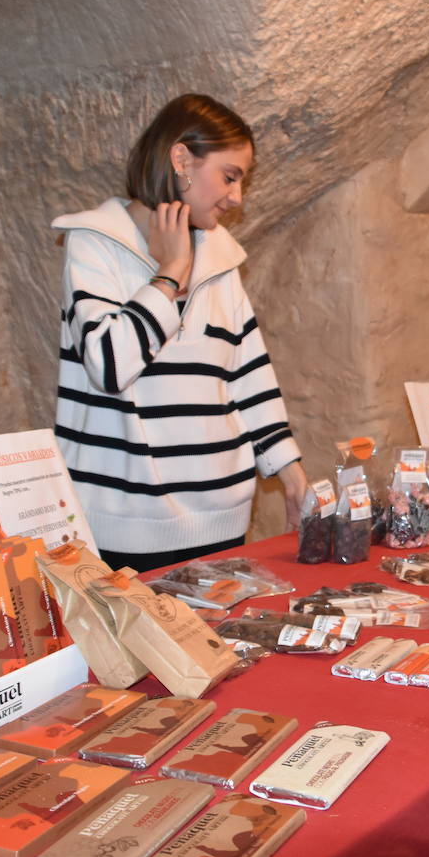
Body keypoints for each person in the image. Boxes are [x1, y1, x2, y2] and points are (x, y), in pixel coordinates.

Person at [52, 94, 307, 572]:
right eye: (230, 177)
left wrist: (290, 475)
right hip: (123, 529)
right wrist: (168, 276)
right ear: (181, 158)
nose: (237, 198)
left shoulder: (221, 257)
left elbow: (249, 377)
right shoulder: (94, 244)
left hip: (223, 524)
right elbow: (108, 367)